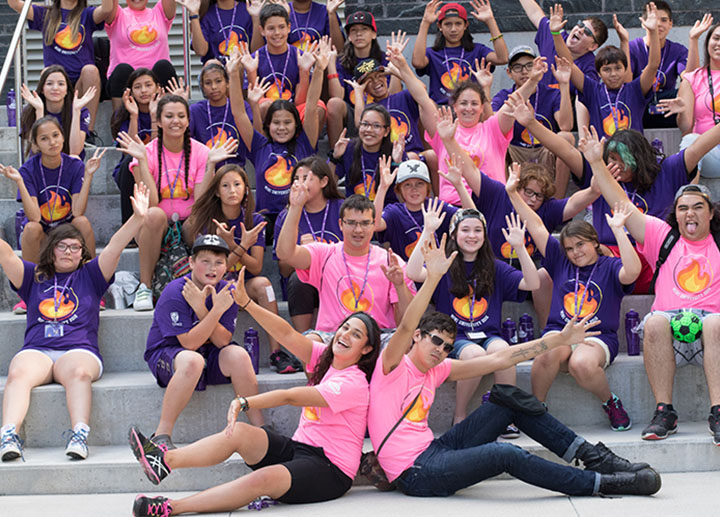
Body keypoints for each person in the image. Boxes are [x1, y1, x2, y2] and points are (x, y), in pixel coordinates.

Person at [368, 239, 661, 497]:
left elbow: (500, 359)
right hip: (416, 471)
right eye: (434, 341)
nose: (440, 351)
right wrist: (432, 279)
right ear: (417, 337)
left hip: (436, 450)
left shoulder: (438, 369)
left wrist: (557, 339)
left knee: (507, 397)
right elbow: (406, 323)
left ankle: (595, 457)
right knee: (503, 452)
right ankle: (599, 483)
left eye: (446, 346)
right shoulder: (392, 364)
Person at [127, 261, 384, 516]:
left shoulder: (354, 382)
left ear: (367, 349)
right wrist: (247, 303)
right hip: (300, 449)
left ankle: (169, 507)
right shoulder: (324, 357)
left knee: (262, 480)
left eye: (356, 335)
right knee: (239, 433)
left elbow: (291, 397)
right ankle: (164, 461)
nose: (345, 335)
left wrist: (246, 402)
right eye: (345, 327)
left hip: (330, 469)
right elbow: (286, 334)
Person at [578, 124, 720, 445]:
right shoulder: (661, 234)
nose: (690, 214)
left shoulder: (717, 240)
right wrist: (597, 163)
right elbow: (624, 208)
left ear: (711, 214)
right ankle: (664, 411)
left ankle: (718, 411)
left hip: (713, 329)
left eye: (698, 207)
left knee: (714, 323)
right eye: (683, 208)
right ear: (674, 213)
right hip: (668, 329)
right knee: (654, 322)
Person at [504, 90, 720, 294]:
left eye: (621, 160)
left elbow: (699, 146)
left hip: (654, 257)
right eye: (610, 159)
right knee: (550, 272)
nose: (614, 165)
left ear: (641, 158)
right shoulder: (601, 173)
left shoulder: (667, 171)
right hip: (606, 258)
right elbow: (565, 150)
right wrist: (531, 123)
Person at [0, 183, 150, 462]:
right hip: (38, 349)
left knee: (78, 372)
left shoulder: (91, 275)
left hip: (79, 349)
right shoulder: (34, 277)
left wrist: (138, 219)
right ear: (51, 250)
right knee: (18, 372)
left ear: (83, 253)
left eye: (76, 247)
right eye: (63, 246)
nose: (69, 252)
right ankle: (9, 434)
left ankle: (79, 434)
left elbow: (115, 247)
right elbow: (6, 254)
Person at [506, 162, 640, 431]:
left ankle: (610, 402)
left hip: (597, 337)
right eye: (570, 248)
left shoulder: (609, 266)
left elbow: (633, 271)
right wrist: (512, 194)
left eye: (581, 245)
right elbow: (535, 224)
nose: (576, 252)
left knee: (580, 364)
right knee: (545, 353)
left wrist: (617, 231)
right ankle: (537, 409)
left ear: (593, 242)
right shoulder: (560, 261)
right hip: (561, 331)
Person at [407, 204, 539, 430]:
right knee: (474, 353)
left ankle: (504, 414)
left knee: (503, 352)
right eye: (465, 230)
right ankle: (459, 416)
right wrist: (428, 231)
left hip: (489, 334)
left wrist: (520, 247)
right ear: (455, 233)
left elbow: (533, 283)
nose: (471, 236)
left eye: (477, 230)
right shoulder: (444, 264)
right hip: (455, 337)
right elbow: (412, 272)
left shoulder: (494, 266)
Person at [141, 234, 264, 451]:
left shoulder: (226, 291)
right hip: (170, 355)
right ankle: (161, 435)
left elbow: (223, 340)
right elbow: (189, 343)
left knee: (238, 355)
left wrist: (204, 309)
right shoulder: (175, 291)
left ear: (227, 265)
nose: (212, 268)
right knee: (192, 360)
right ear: (191, 262)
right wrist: (216, 310)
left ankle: (263, 430)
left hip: (208, 353)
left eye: (219, 262)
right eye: (205, 261)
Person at [117, 94, 236, 311]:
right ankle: (145, 286)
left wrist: (210, 165)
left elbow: (200, 202)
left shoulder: (200, 151)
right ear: (159, 121)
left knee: (200, 218)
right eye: (169, 116)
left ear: (188, 120)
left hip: (189, 223)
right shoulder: (146, 152)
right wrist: (142, 161)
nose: (176, 121)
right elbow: (151, 203)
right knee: (154, 214)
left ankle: (209, 283)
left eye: (181, 116)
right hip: (153, 226)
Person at [185, 164, 288, 372]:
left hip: (242, 285)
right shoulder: (208, 222)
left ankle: (276, 352)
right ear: (216, 191)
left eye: (237, 184)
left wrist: (233, 246)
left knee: (265, 286)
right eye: (225, 185)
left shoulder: (255, 220)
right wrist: (241, 246)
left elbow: (257, 267)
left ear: (245, 190)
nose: (232, 190)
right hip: (214, 287)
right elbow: (212, 271)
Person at [277, 192, 415, 340]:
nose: (358, 230)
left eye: (364, 223)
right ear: (341, 225)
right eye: (351, 223)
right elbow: (285, 254)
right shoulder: (325, 254)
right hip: (333, 335)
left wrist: (400, 285)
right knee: (310, 341)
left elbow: (407, 322)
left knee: (403, 342)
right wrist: (295, 207)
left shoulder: (391, 262)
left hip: (377, 335)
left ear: (374, 224)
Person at [4, 117, 104, 314]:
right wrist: (20, 182)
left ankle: (93, 287)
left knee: (82, 222)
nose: (52, 142)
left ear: (63, 136)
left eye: (56, 135)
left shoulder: (73, 166)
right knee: (32, 228)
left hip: (67, 232)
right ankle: (28, 293)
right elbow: (33, 217)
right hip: (43, 233)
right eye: (44, 138)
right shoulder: (29, 169)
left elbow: (76, 211)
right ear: (35, 144)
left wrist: (88, 175)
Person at [228, 38, 325, 235]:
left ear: (296, 124)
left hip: (299, 214)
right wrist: (232, 75)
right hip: (266, 218)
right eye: (276, 123)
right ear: (268, 125)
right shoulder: (260, 146)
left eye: (287, 122)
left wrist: (320, 70)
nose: (282, 128)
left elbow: (313, 106)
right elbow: (239, 113)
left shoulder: (304, 143)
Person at [550, 3, 660, 139]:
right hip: (600, 156)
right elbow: (569, 64)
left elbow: (653, 65)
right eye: (607, 69)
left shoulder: (635, 89)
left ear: (626, 70)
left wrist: (653, 32)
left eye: (618, 68)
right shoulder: (593, 90)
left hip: (632, 155)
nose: (613, 74)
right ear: (599, 73)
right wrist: (555, 33)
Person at [10, 0, 113, 140]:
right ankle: (47, 131)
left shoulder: (87, 14)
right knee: (46, 72)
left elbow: (107, 9)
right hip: (57, 81)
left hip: (80, 83)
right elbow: (15, 4)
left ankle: (88, 133)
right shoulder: (45, 14)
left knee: (91, 70)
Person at [273, 156, 344, 337]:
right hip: (305, 282)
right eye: (296, 179)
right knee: (298, 279)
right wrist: (299, 255)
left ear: (324, 181)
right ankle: (305, 342)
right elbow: (284, 269)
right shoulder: (285, 216)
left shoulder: (342, 208)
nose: (300, 184)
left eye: (306, 178)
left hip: (339, 277)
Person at [492, 48, 574, 197]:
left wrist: (564, 84)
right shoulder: (503, 96)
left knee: (566, 137)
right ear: (509, 73)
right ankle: (505, 200)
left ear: (539, 67)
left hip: (544, 151)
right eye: (518, 67)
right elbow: (493, 127)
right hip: (516, 152)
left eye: (529, 65)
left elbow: (566, 126)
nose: (524, 71)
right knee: (494, 141)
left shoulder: (551, 93)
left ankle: (558, 202)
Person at [326, 11, 400, 149]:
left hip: (383, 111)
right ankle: (336, 156)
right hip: (353, 114)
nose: (358, 34)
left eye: (364, 29)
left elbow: (395, 95)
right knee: (334, 104)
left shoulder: (385, 58)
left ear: (374, 34)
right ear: (349, 36)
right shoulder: (341, 62)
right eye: (354, 30)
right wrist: (331, 63)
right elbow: (337, 96)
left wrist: (395, 66)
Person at [412, 0, 508, 105]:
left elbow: (502, 58)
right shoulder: (432, 53)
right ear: (440, 27)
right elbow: (417, 62)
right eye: (448, 24)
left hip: (471, 109)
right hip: (440, 110)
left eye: (458, 23)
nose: (453, 29)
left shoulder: (478, 50)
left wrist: (490, 20)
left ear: (465, 25)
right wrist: (425, 22)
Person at [374, 156, 467, 262]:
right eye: (407, 185)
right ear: (399, 190)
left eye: (420, 184)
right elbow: (375, 225)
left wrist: (459, 185)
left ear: (428, 187)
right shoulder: (395, 212)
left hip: (438, 272)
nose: (414, 189)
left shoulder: (437, 207)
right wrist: (383, 187)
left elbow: (472, 217)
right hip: (406, 274)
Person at [659, 22, 720, 178]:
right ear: (708, 42)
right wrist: (683, 111)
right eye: (716, 38)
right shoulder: (693, 78)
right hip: (708, 153)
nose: (719, 44)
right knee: (690, 140)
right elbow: (685, 127)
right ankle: (688, 197)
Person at [104, 0, 179, 111]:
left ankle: (169, 118)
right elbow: (107, 8)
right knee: (122, 70)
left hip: (156, 80)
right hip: (125, 80)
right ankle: (119, 124)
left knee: (164, 67)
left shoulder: (159, 11)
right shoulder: (117, 14)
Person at [110, 68, 161, 226]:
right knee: (134, 157)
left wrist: (154, 115)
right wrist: (134, 115)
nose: (143, 90)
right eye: (138, 87)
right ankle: (129, 226)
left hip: (157, 165)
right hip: (129, 170)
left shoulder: (166, 112)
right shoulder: (125, 116)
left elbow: (157, 149)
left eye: (148, 85)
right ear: (131, 92)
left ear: (158, 88)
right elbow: (129, 150)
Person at [628, 1, 690, 128]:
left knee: (685, 93)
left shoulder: (678, 50)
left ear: (671, 24)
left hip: (667, 105)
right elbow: (627, 84)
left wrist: (693, 39)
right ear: (643, 23)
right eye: (654, 19)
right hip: (639, 104)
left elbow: (689, 78)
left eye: (664, 20)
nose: (659, 24)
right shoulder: (632, 48)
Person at [189, 61, 256, 168]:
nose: (214, 87)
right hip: (205, 171)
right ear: (202, 86)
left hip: (236, 169)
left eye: (218, 81)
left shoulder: (240, 107)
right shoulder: (195, 110)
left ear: (228, 82)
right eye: (208, 83)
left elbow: (254, 139)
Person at [329, 104, 400, 203]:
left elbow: (403, 196)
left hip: (386, 211)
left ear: (386, 131)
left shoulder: (395, 152)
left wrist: (398, 163)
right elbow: (327, 186)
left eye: (376, 126)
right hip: (353, 209)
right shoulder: (348, 148)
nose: (369, 130)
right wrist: (335, 157)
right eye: (365, 124)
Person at [20, 65, 94, 158]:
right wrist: (39, 111)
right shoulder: (31, 111)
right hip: (41, 166)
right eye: (49, 83)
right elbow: (36, 149)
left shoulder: (80, 111)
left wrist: (76, 112)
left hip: (68, 164)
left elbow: (75, 151)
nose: (55, 88)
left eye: (61, 84)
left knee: (75, 158)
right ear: (42, 89)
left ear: (67, 90)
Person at [183, 0, 263, 63]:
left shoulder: (249, 10)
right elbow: (201, 51)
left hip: (244, 73)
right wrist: (194, 15)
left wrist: (256, 18)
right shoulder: (206, 14)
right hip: (216, 75)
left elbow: (257, 52)